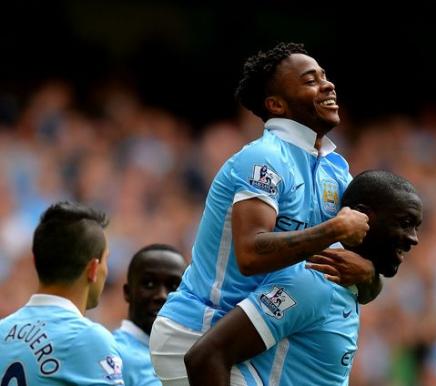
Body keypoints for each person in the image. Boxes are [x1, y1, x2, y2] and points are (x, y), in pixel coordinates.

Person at [150, 42, 379, 385]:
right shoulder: (264, 158)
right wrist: (332, 230)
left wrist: (367, 275)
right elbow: (250, 253)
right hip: (199, 331)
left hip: (251, 339)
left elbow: (358, 283)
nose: (328, 85)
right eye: (310, 80)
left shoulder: (336, 170)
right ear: (276, 104)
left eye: (325, 77)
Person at [184, 170, 423, 385]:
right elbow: (206, 356)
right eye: (405, 223)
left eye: (416, 227)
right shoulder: (315, 278)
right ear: (362, 216)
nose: (414, 238)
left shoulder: (343, 280)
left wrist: (370, 276)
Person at [0, 201, 124, 385]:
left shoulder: (2, 331)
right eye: (107, 259)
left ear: (35, 262)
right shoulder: (88, 339)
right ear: (93, 269)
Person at [113, 244, 187, 386]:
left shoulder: (194, 354)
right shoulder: (113, 353)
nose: (161, 295)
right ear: (127, 292)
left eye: (173, 287)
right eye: (149, 284)